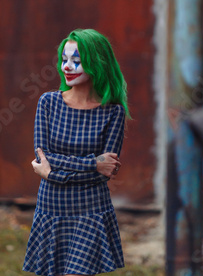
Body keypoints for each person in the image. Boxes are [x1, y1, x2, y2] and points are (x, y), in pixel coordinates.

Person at [23, 28, 131, 276]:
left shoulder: (113, 112)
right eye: (64, 59)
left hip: (90, 211)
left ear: (97, 63)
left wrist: (53, 173)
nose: (67, 67)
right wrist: (93, 163)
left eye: (76, 61)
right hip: (52, 209)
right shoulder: (48, 102)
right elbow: (44, 158)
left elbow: (105, 174)